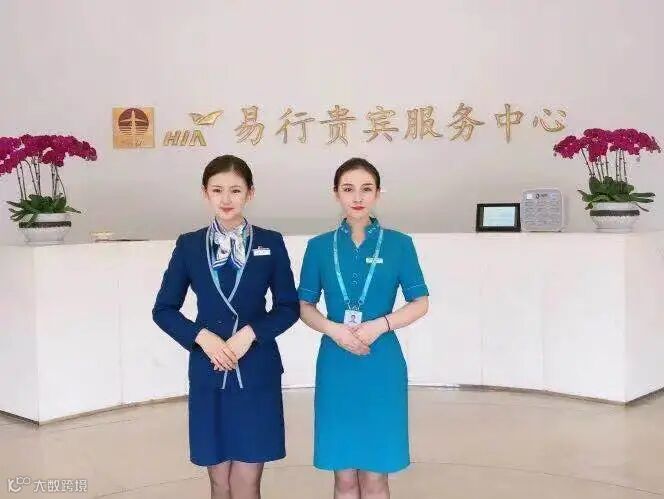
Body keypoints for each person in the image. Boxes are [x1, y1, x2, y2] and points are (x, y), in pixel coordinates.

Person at [152, 154, 299, 499]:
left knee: (247, 482)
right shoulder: (189, 245)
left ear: (250, 193)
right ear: (205, 193)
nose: (226, 199)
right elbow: (164, 310)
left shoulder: (270, 242)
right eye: (217, 190)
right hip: (210, 370)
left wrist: (251, 334)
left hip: (256, 371)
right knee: (219, 483)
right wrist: (201, 337)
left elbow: (288, 307)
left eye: (235, 190)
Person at [298, 157, 430, 499]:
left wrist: (381, 325)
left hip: (381, 361)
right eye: (348, 189)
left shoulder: (399, 244)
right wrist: (333, 329)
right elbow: (304, 306)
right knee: (343, 478)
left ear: (378, 193)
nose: (357, 197)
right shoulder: (318, 247)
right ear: (336, 194)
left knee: (375, 478)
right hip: (336, 362)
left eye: (366, 189)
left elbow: (420, 302)